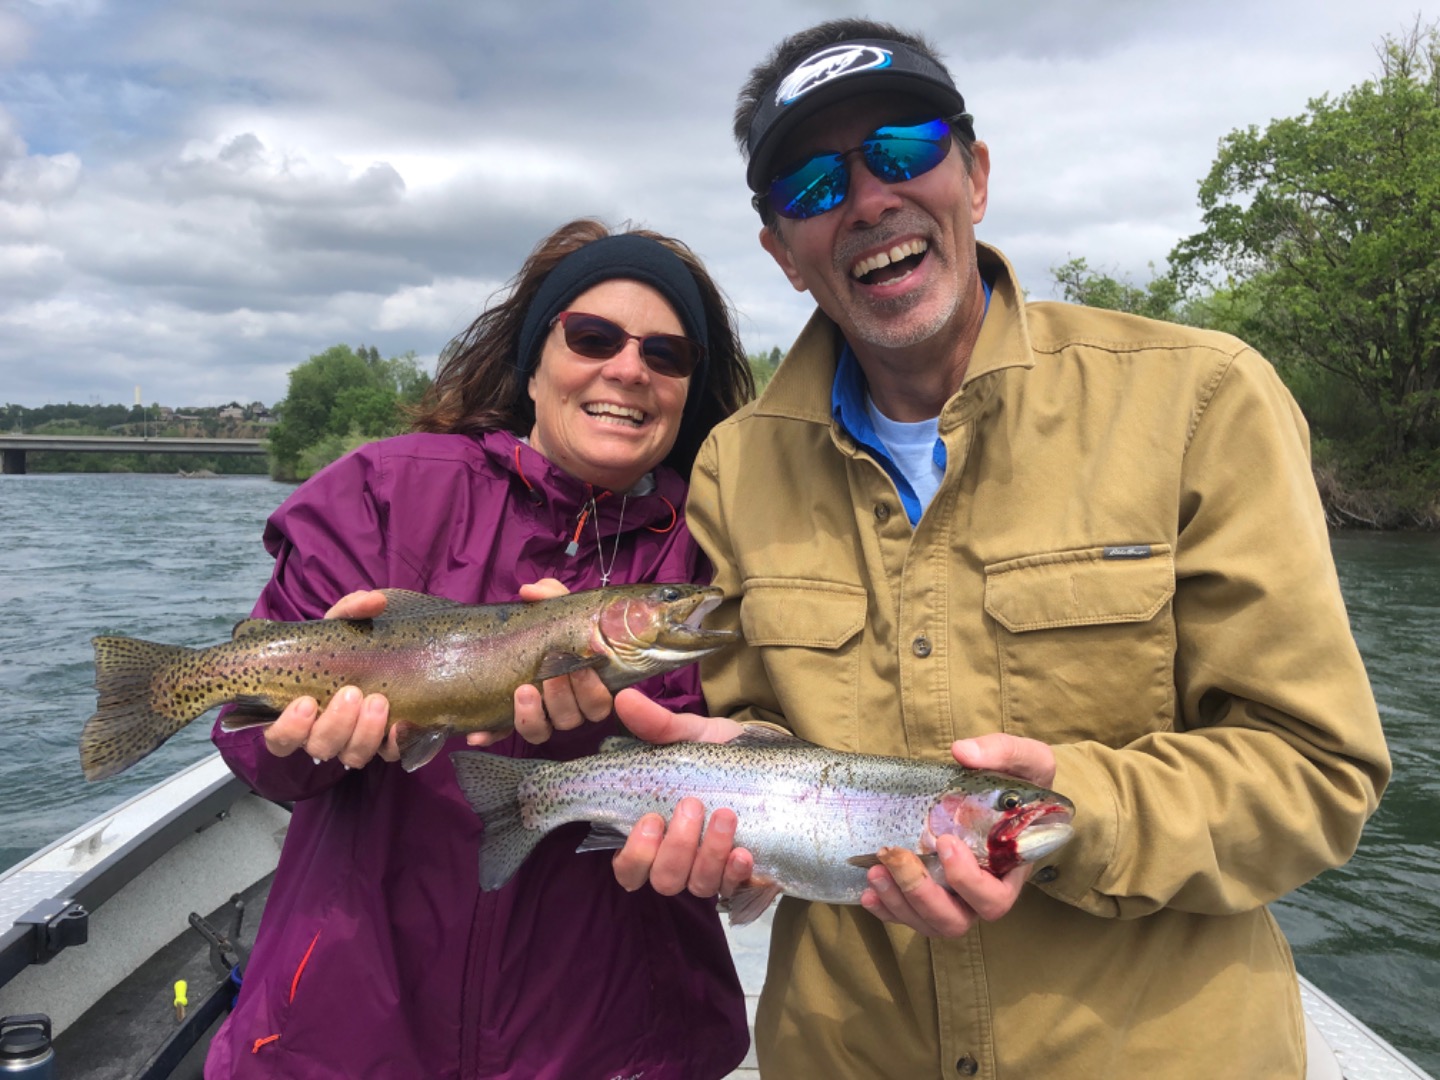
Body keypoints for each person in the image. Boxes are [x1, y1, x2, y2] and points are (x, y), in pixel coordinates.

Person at [604, 19, 1393, 1079]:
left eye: (901, 150)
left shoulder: (1206, 398)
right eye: (811, 185)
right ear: (782, 252)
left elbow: (1317, 772)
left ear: (973, 175)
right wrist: (733, 848)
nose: (870, 199)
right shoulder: (732, 468)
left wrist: (1073, 813)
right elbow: (756, 738)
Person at [204, 218, 755, 1079]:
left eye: (668, 355)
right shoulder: (386, 490)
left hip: (616, 1041)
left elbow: (757, 764)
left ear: (688, 388)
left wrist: (745, 859)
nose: (628, 369)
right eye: (594, 337)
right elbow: (256, 755)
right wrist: (296, 738)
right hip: (351, 1034)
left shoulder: (718, 551)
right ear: (534, 360)